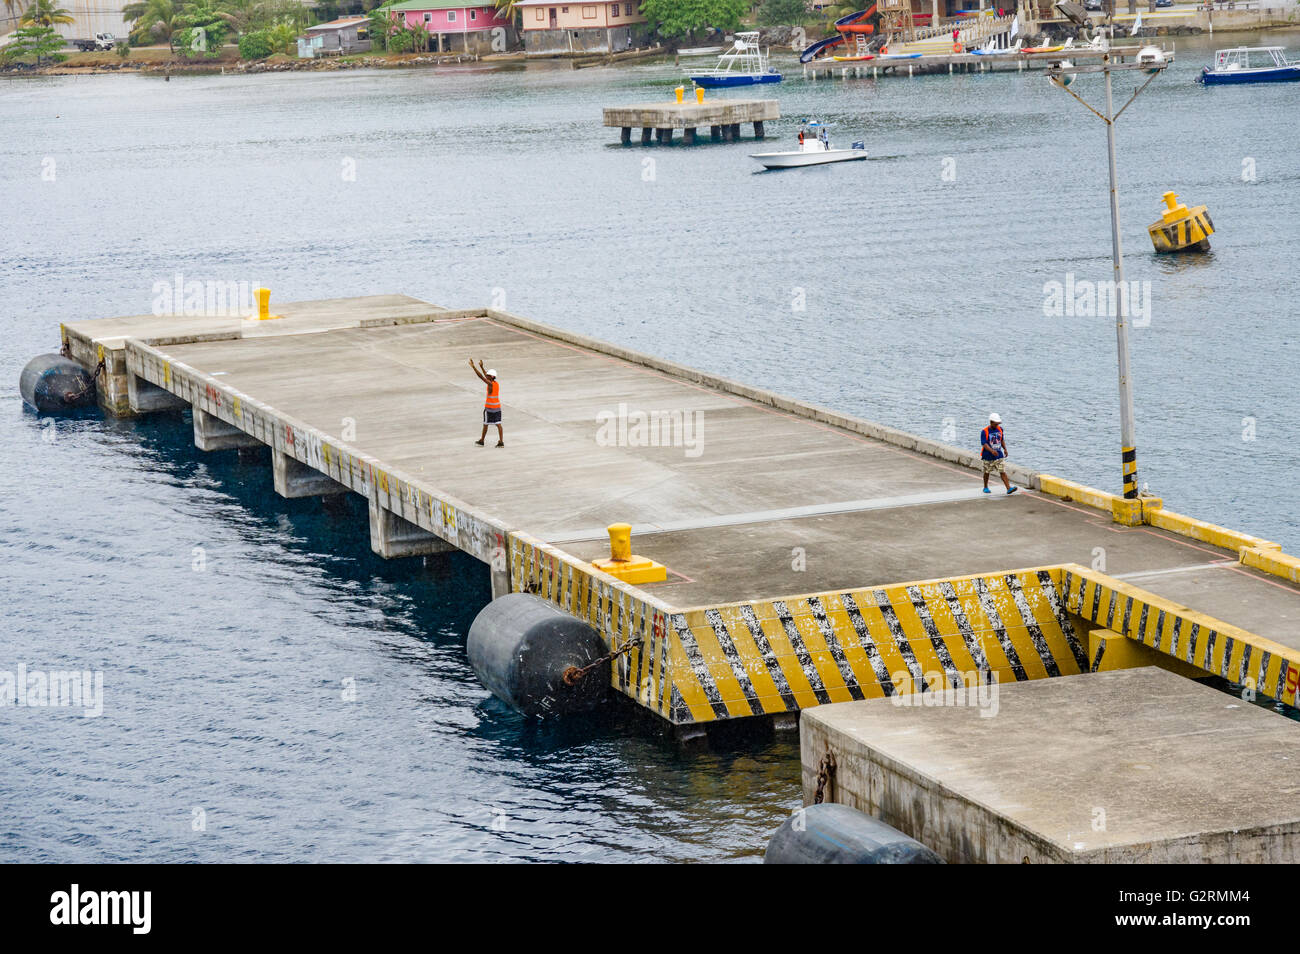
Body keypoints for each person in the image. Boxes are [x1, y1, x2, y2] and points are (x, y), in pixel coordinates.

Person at [981, 413, 1016, 495]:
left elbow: (1002, 440)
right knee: (987, 472)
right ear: (991, 422)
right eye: (996, 424)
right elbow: (984, 444)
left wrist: (1005, 449)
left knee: (1002, 471)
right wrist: (991, 451)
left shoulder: (1000, 429)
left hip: (998, 455)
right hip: (988, 456)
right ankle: (985, 487)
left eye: (998, 424)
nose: (997, 425)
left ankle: (1008, 488)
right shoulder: (984, 431)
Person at [470, 359, 503, 447]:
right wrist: (481, 367)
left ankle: (482, 440)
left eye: (488, 375)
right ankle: (501, 442)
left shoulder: (490, 384)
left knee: (485, 424)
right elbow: (485, 375)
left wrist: (474, 367)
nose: (487, 375)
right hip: (497, 408)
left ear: (491, 377)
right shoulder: (495, 383)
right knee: (498, 424)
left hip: (489, 408)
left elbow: (481, 377)